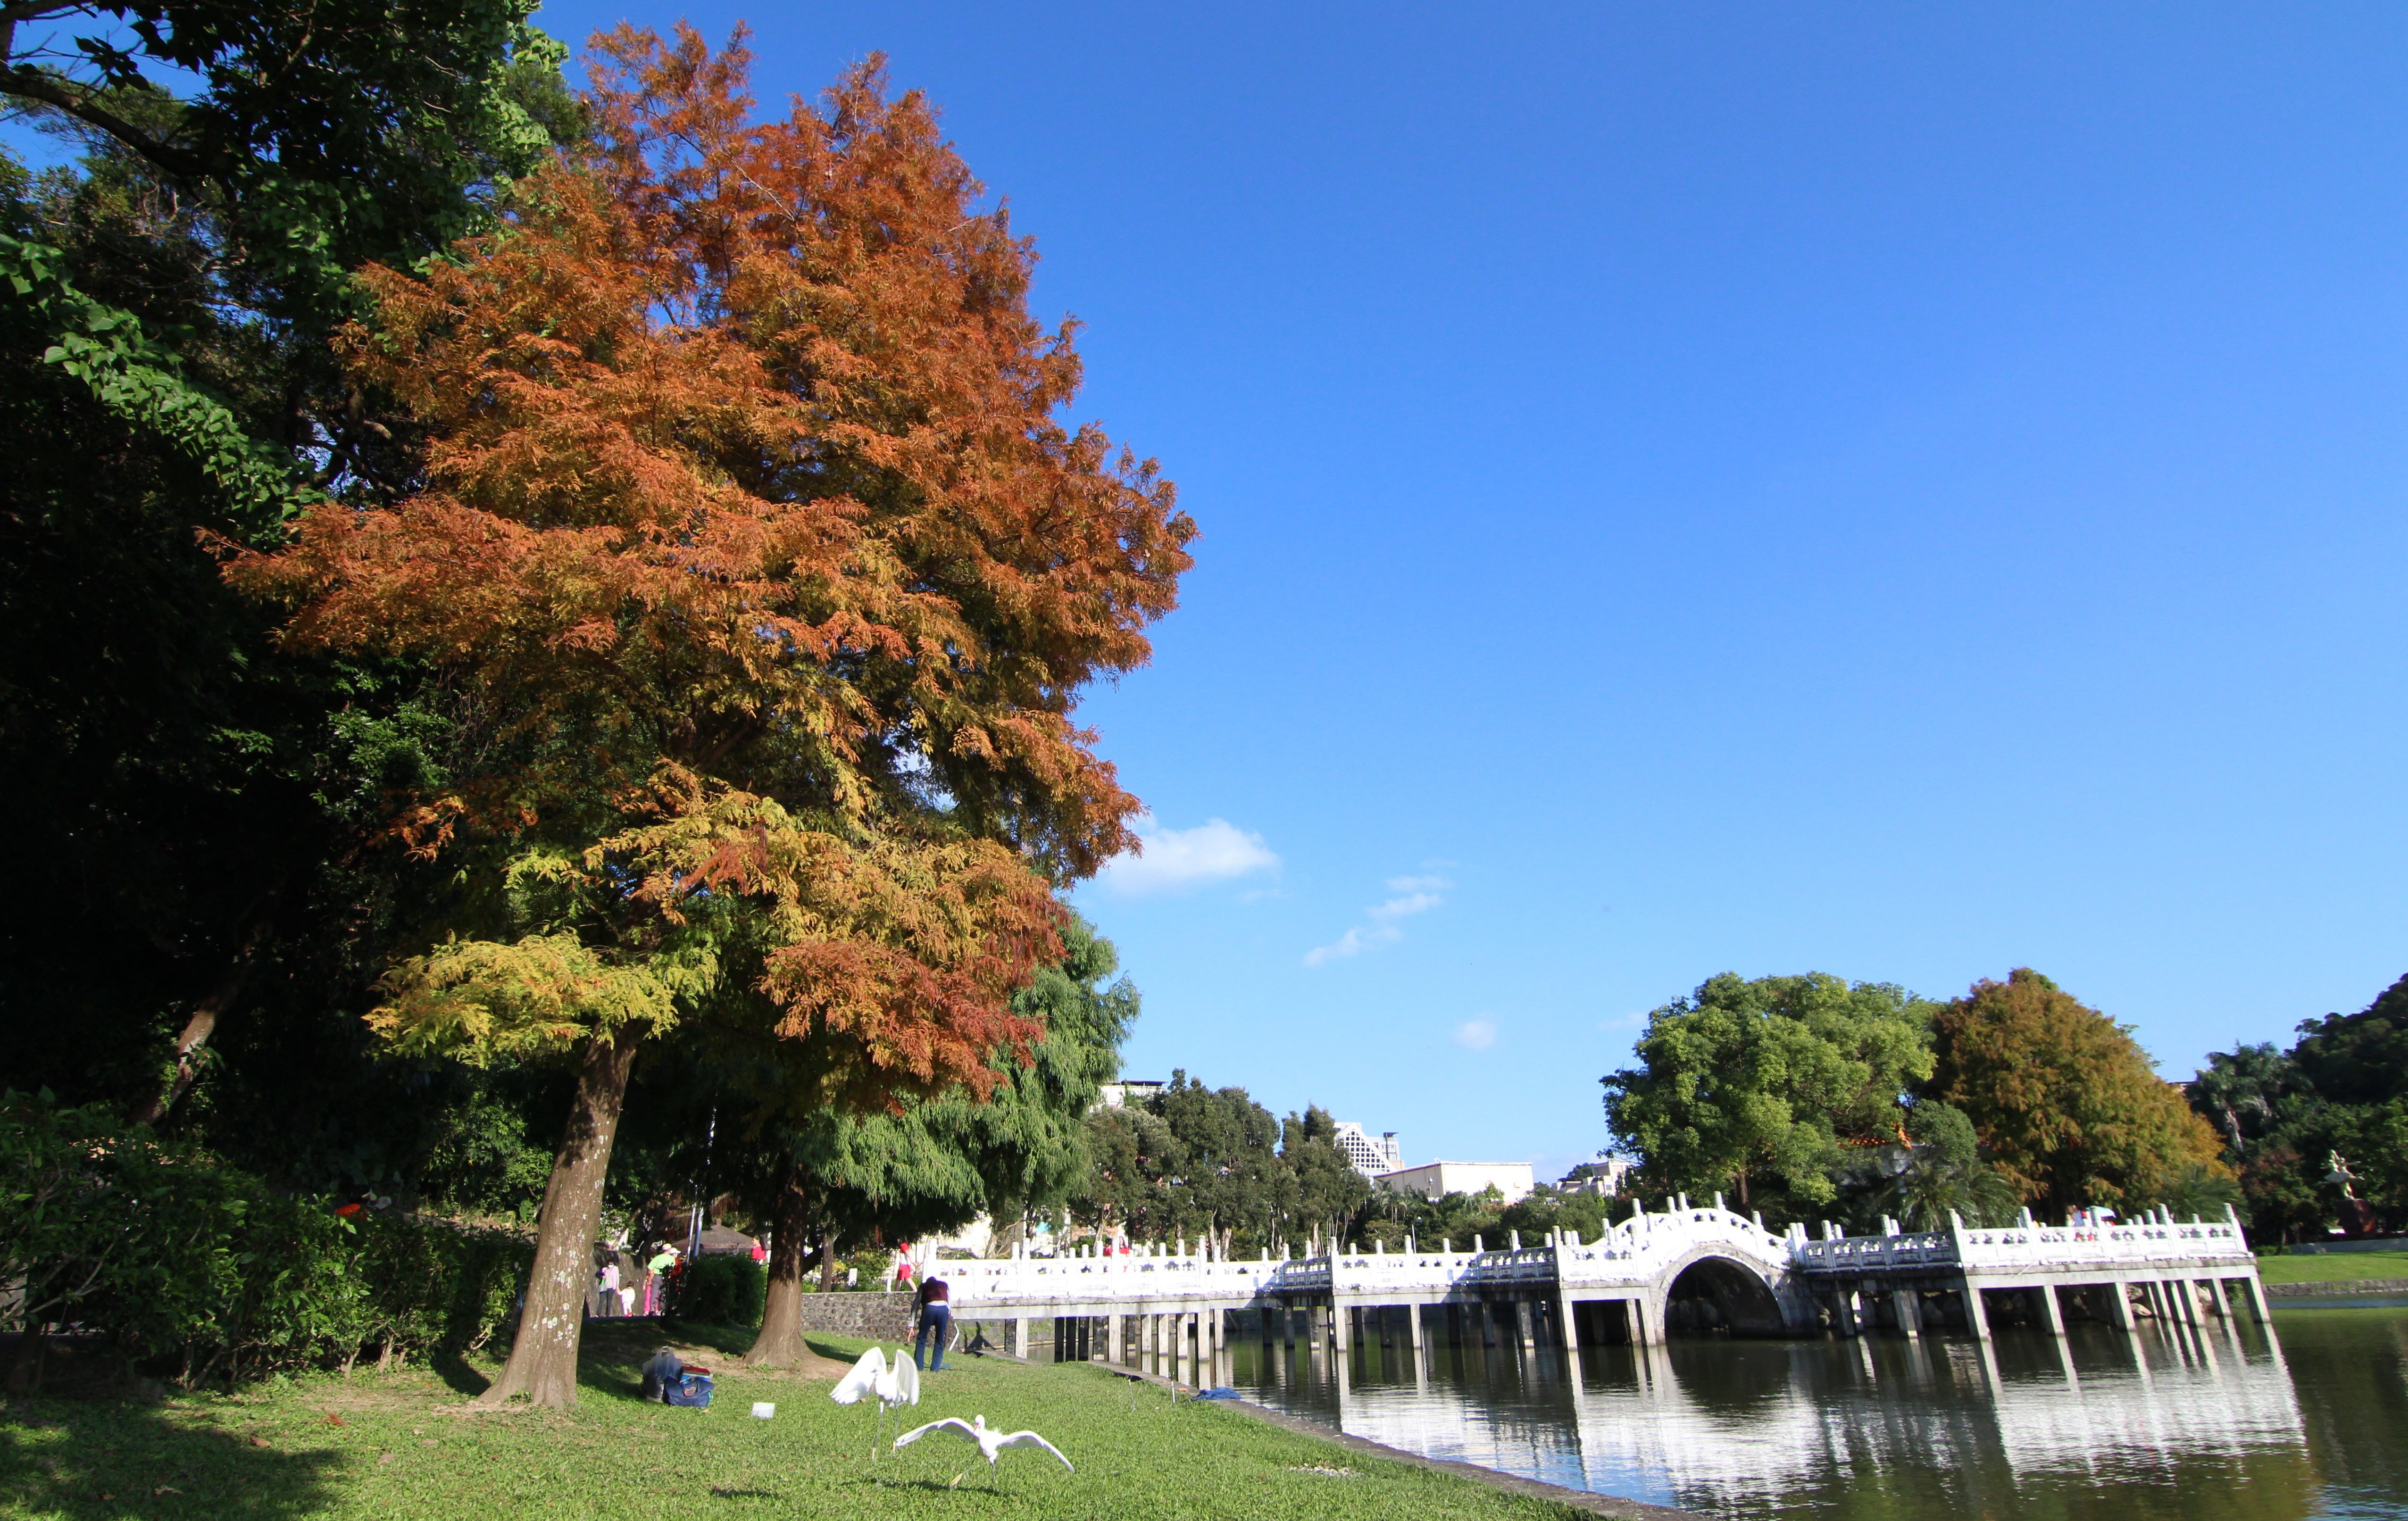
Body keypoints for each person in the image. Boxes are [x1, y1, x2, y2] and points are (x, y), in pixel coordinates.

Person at [914, 1271, 951, 1372]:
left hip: (930, 1309)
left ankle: (919, 1367)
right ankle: (935, 1368)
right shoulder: (944, 1285)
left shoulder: (923, 1286)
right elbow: (950, 1303)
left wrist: (911, 1323)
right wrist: (948, 1316)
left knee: (922, 1338)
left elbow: (916, 1305)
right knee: (940, 1340)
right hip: (943, 1309)